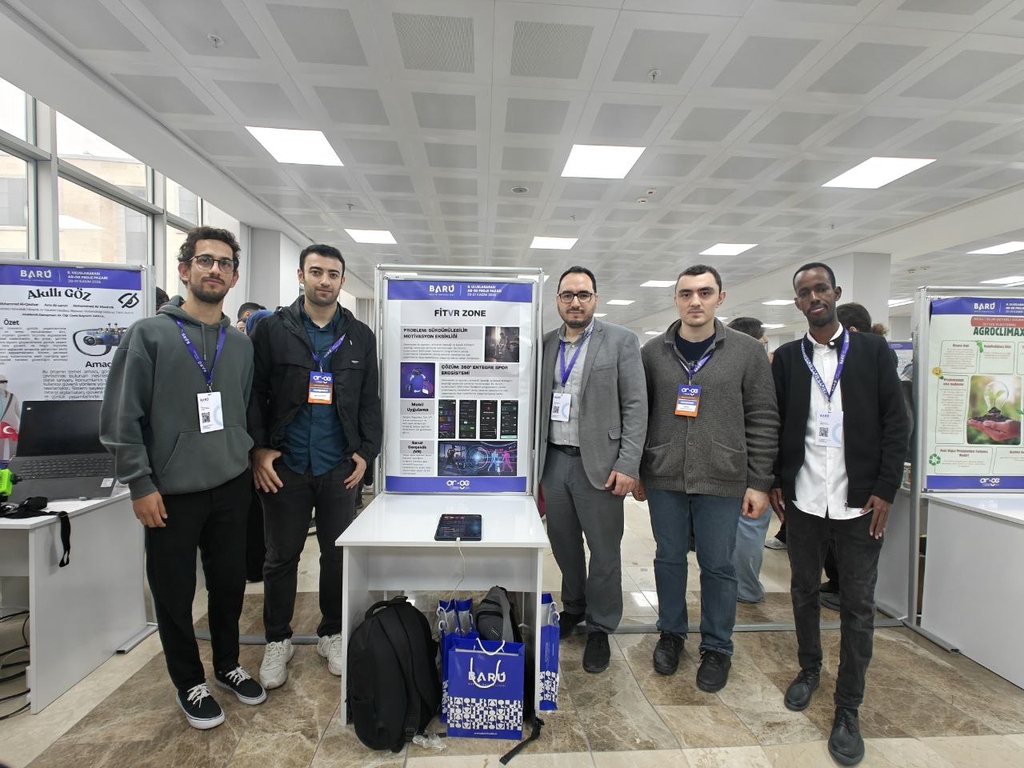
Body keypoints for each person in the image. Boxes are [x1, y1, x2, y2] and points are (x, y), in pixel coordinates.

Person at [99, 225, 266, 730]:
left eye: (224, 263)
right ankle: (188, 681)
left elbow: (243, 408)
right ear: (184, 269)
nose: (214, 269)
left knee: (229, 585)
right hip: (170, 491)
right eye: (204, 260)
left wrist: (247, 456)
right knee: (173, 593)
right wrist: (139, 482)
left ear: (234, 277)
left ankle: (228, 664)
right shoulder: (147, 336)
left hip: (231, 484)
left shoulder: (240, 345)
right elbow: (121, 418)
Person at [770, 263, 909, 766]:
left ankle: (848, 706)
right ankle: (810, 669)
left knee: (858, 604)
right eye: (805, 292)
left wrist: (886, 490)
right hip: (805, 499)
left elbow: (897, 423)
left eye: (821, 289)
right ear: (798, 303)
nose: (814, 297)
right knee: (804, 591)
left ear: (836, 294)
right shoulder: (789, 358)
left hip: (859, 504)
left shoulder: (872, 351)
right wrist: (775, 479)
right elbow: (776, 422)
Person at [635, 265, 778, 692]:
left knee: (718, 564)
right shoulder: (652, 353)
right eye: (686, 294)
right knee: (668, 558)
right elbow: (638, 416)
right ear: (675, 300)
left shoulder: (746, 352)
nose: (695, 301)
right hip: (664, 474)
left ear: (721, 297)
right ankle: (671, 633)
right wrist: (639, 471)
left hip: (723, 474)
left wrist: (759, 481)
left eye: (704, 292)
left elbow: (763, 417)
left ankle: (717, 645)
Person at [247, 243, 382, 689]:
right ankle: (277, 639)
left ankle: (332, 633)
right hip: (284, 465)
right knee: (280, 557)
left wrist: (366, 451)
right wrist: (259, 449)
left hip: (338, 466)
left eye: (333, 274)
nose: (325, 280)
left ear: (342, 280)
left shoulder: (359, 335)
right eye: (316, 272)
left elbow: (369, 400)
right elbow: (254, 395)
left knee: (336, 554)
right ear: (301, 276)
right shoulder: (272, 330)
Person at [538, 265, 647, 674]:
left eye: (583, 294)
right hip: (554, 462)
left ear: (595, 299)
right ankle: (574, 606)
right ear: (557, 301)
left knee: (603, 551)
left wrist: (628, 463)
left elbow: (636, 405)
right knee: (563, 544)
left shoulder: (620, 340)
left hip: (600, 465)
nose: (575, 302)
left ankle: (600, 625)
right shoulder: (546, 344)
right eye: (568, 295)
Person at [726, 317, 774, 604]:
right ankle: (746, 588)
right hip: (746, 468)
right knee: (749, 528)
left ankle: (739, 586)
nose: (766, 351)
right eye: (763, 344)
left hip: (741, 467)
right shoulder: (751, 374)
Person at [0, 374, 21, 462]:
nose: (4, 384)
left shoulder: (12, 397)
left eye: (5, 382)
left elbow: (18, 412)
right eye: (1, 382)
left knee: (14, 448)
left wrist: (23, 426)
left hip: (12, 427)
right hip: (1, 427)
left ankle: (14, 464)